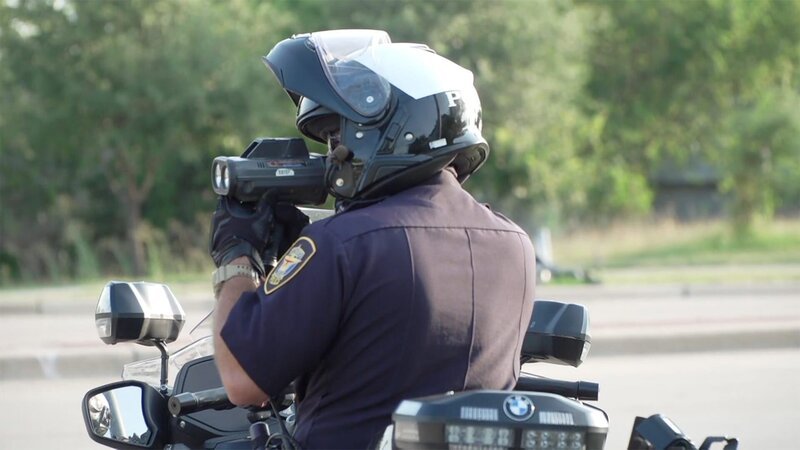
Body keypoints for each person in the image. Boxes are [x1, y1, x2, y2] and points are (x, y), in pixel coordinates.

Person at [209, 29, 536, 449]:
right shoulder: (515, 245)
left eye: (337, 136)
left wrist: (237, 257)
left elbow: (242, 383)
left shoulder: (340, 245)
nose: (331, 155)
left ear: (390, 129)